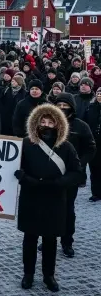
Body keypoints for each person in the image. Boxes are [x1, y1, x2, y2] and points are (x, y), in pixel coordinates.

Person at [15, 104, 82, 292]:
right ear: (35, 123)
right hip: (31, 196)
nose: (46, 125)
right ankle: (28, 274)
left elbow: (77, 173)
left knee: (50, 240)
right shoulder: (27, 144)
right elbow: (17, 169)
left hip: (55, 198)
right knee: (30, 238)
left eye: (50, 122)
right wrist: (25, 178)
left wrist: (59, 183)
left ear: (58, 124)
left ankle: (48, 276)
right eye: (42, 121)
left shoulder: (66, 147)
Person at [54, 93, 96, 257]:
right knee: (50, 208)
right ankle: (48, 238)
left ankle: (67, 241)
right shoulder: (49, 123)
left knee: (68, 210)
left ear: (72, 107)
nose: (63, 108)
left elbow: (90, 148)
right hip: (50, 173)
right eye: (60, 105)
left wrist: (80, 164)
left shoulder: (81, 126)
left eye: (66, 105)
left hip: (70, 175)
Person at [86, 87, 101, 202]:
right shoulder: (90, 108)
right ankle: (95, 193)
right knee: (94, 169)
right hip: (94, 142)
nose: (100, 95)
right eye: (98, 93)